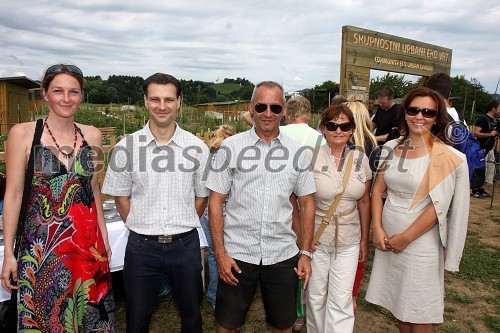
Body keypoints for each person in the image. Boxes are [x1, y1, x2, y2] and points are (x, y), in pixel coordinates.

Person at [1, 63, 116, 332]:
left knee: (88, 316)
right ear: (44, 94)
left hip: (86, 247)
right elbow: (14, 195)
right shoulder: (23, 134)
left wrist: (105, 237)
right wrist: (8, 253)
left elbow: (93, 191)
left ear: (81, 96)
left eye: (73, 92)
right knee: (45, 319)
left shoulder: (93, 135)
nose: (66, 98)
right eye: (58, 91)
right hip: (41, 250)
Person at [102, 73, 210, 333]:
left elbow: (201, 196)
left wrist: (181, 223)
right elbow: (120, 197)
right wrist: (142, 225)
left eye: (169, 99)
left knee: (192, 316)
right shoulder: (126, 148)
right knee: (137, 318)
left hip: (185, 245)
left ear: (179, 102)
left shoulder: (197, 148)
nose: (162, 106)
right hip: (141, 247)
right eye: (155, 99)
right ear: (145, 101)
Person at [206, 81, 316, 333]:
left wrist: (306, 253)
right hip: (238, 253)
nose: (268, 113)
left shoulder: (298, 152)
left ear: (284, 111)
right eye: (261, 106)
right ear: (251, 108)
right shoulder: (231, 148)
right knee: (226, 324)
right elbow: (215, 201)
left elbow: (307, 203)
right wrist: (221, 253)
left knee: (283, 325)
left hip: (281, 254)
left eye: (275, 107)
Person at [366, 87, 470, 333]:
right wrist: (377, 228)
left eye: (428, 112)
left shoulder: (448, 156)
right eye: (414, 110)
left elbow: (438, 208)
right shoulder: (390, 147)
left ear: (437, 117)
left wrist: (406, 238)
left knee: (420, 311)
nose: (419, 116)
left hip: (421, 245)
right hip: (388, 240)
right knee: (399, 306)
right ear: (405, 113)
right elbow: (378, 190)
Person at [306, 103, 372, 332]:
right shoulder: (309, 157)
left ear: (352, 129)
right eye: (332, 125)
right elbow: (299, 201)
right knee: (315, 296)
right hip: (316, 238)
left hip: (350, 237)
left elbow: (364, 201)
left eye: (344, 126)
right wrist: (303, 241)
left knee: (341, 298)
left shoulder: (361, 159)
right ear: (323, 128)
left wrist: (364, 239)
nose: (338, 130)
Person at [279, 95, 325, 331]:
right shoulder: (320, 138)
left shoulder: (281, 135)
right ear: (308, 113)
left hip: (284, 205)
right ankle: (303, 307)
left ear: (287, 111)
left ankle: (293, 311)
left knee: (287, 258)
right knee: (307, 255)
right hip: (311, 204)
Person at [345, 94, 378, 313]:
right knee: (359, 249)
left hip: (344, 204)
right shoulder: (373, 144)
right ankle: (353, 295)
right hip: (364, 202)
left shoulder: (341, 140)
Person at [200, 124, 236, 308]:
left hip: (207, 214)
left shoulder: (208, 157)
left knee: (214, 255)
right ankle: (218, 295)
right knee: (223, 253)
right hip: (225, 215)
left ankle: (214, 294)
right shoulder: (230, 157)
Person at [472, 100, 500, 197]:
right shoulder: (483, 119)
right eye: (499, 108)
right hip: (482, 148)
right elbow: (475, 133)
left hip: (490, 148)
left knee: (490, 169)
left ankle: (481, 189)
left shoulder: (494, 121)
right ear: (494, 108)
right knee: (481, 169)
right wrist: (489, 134)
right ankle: (475, 189)